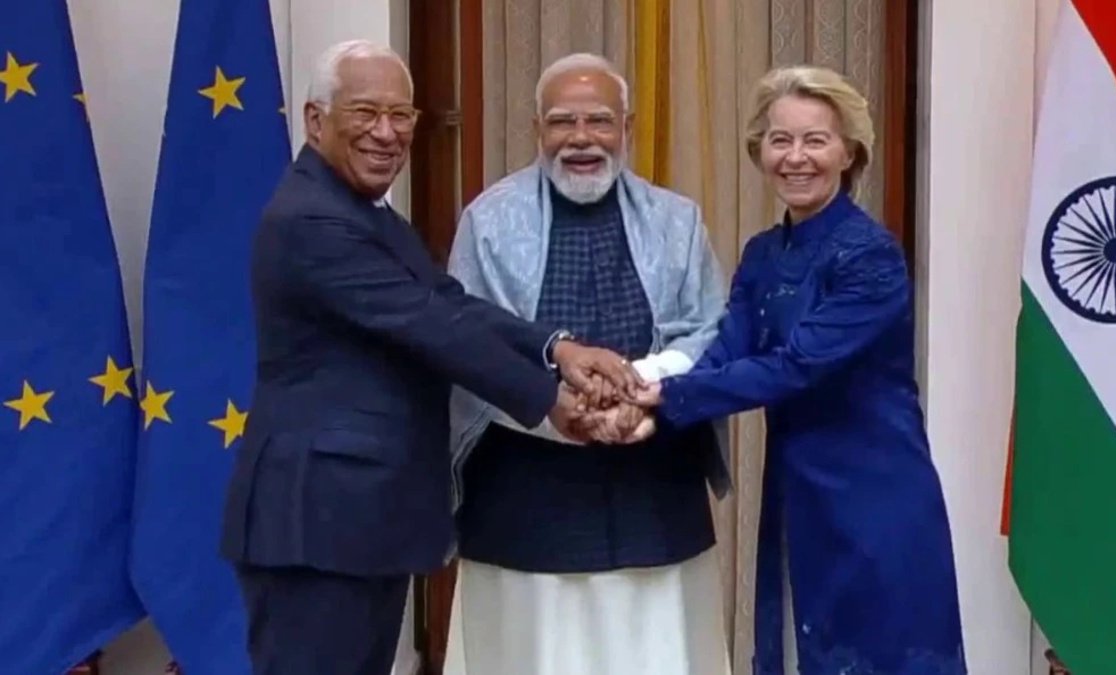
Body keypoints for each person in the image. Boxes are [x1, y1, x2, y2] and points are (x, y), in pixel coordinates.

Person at [218, 40, 637, 675]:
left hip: (361, 522)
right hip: (316, 525)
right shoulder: (311, 219)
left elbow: (446, 301)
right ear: (315, 120)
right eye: (365, 112)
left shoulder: (365, 213)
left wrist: (558, 347)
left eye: (401, 115)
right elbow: (431, 326)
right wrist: (551, 401)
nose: (387, 133)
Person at [635, 66, 966, 674]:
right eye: (779, 140)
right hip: (797, 493)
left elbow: (794, 367)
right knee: (797, 651)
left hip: (874, 497)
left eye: (815, 140)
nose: (796, 158)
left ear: (849, 152)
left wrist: (662, 397)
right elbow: (726, 352)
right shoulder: (763, 253)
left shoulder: (871, 255)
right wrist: (645, 391)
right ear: (759, 151)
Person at [441, 53, 733, 675]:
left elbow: (711, 329)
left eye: (599, 120)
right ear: (536, 130)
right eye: (562, 122)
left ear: (627, 127)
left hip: (654, 492)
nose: (581, 138)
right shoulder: (488, 221)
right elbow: (469, 342)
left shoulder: (677, 220)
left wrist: (642, 389)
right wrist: (558, 409)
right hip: (525, 500)